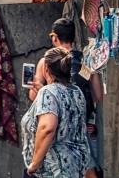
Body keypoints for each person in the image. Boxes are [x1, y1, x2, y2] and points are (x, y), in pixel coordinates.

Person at [28, 18, 103, 178]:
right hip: (81, 131)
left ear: (54, 37)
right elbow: (98, 96)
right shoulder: (85, 62)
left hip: (56, 138)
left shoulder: (46, 62)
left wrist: (45, 92)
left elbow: (33, 97)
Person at [22, 47, 91, 177]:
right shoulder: (76, 92)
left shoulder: (48, 92)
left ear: (46, 69)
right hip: (75, 166)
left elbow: (47, 128)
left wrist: (34, 163)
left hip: (53, 170)